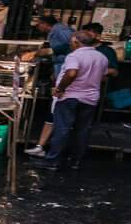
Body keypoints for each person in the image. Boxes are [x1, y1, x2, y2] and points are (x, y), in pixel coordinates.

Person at [30, 28, 110, 172]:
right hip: (90, 98)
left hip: (70, 97)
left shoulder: (74, 56)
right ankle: (75, 161)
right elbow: (103, 77)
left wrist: (60, 89)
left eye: (71, 42)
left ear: (76, 42)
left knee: (62, 129)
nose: (70, 44)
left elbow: (72, 73)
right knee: (82, 130)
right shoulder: (102, 57)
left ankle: (52, 161)